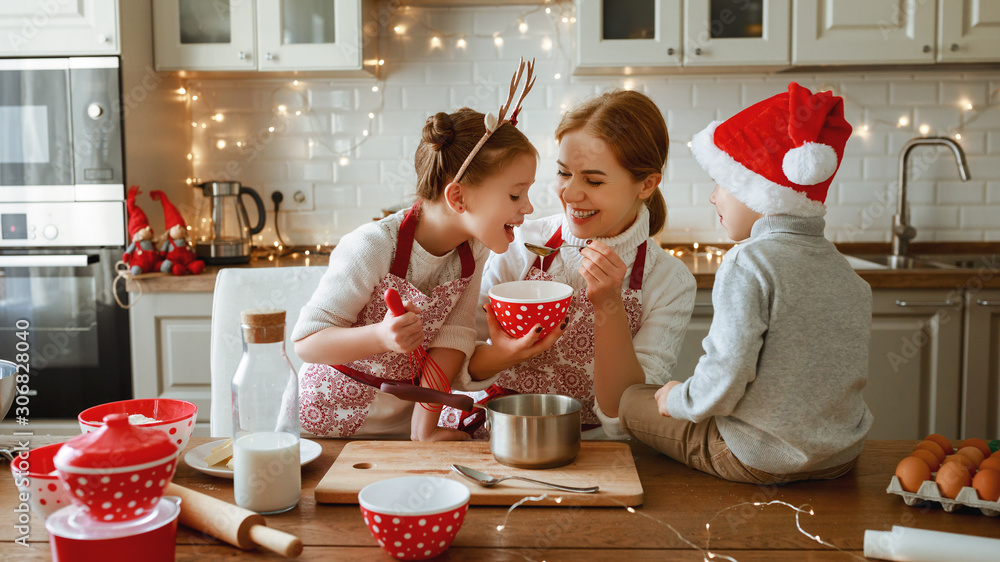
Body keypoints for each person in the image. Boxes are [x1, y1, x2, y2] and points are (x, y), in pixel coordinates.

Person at [619, 82, 873, 484]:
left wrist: (678, 398)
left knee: (631, 401)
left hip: (758, 457)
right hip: (838, 455)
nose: (713, 197)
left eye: (723, 182)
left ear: (757, 190)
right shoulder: (843, 270)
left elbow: (725, 376)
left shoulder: (748, 261)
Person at [293, 63, 538, 441]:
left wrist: (423, 431)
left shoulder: (473, 251)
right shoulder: (373, 245)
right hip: (325, 422)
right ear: (457, 196)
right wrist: (380, 336)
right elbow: (307, 343)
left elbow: (452, 340)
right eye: (515, 194)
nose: (528, 207)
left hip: (401, 426)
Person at [447, 90, 697, 439]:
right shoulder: (518, 241)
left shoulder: (668, 282)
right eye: (564, 173)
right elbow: (453, 358)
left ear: (647, 184)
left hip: (590, 452)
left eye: (594, 181)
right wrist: (501, 355)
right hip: (486, 435)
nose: (570, 193)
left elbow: (622, 415)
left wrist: (608, 302)